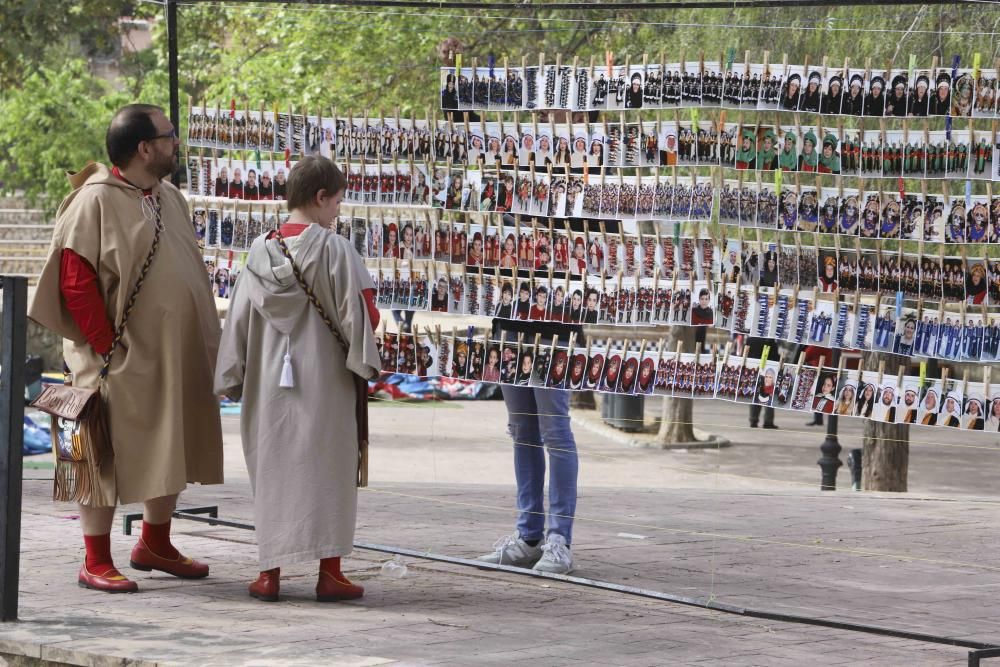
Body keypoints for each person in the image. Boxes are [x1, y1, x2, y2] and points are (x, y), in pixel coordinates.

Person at [29, 104, 224, 593]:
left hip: (172, 353)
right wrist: (107, 348)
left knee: (169, 443)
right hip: (116, 358)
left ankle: (155, 544)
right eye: (169, 135)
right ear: (145, 148)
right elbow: (75, 282)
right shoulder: (93, 200)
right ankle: (95, 559)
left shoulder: (169, 197)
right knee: (99, 454)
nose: (176, 142)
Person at [215, 156, 381, 602]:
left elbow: (239, 322)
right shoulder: (336, 249)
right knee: (329, 472)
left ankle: (269, 575)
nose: (338, 213)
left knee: (272, 472)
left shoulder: (256, 252)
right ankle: (330, 573)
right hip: (324, 379)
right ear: (320, 197)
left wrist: (231, 375)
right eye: (337, 203)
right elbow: (364, 315)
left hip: (268, 383)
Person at [478, 245, 582, 575]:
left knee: (556, 432)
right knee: (522, 432)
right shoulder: (507, 214)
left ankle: (559, 540)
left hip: (556, 335)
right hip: (509, 331)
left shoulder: (574, 211)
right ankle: (528, 536)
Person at [745, 337, 778, 429]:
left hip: (753, 369)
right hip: (768, 370)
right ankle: (768, 421)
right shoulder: (770, 339)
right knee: (768, 395)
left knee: (754, 396)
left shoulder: (750, 338)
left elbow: (746, 352)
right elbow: (775, 356)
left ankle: (753, 420)